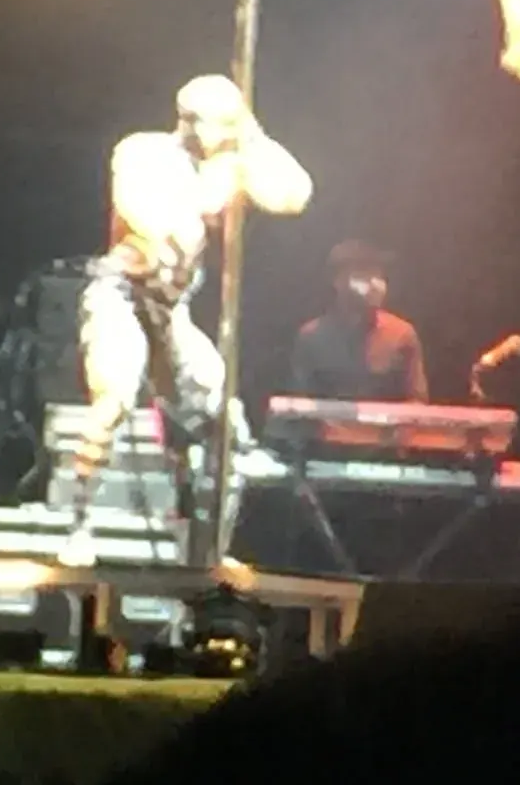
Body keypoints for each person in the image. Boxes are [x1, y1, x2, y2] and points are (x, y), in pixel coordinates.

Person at [61, 74, 312, 567]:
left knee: (226, 420)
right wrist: (204, 198)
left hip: (171, 311)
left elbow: (294, 195)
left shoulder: (227, 166)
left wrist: (254, 138)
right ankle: (78, 525)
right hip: (123, 295)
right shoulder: (143, 152)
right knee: (112, 402)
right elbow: (148, 214)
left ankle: (210, 548)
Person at [288, 241, 428, 402]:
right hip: (329, 427)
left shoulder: (401, 334)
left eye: (377, 273)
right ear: (337, 280)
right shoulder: (312, 337)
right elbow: (298, 407)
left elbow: (417, 404)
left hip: (386, 427)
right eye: (362, 273)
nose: (373, 282)